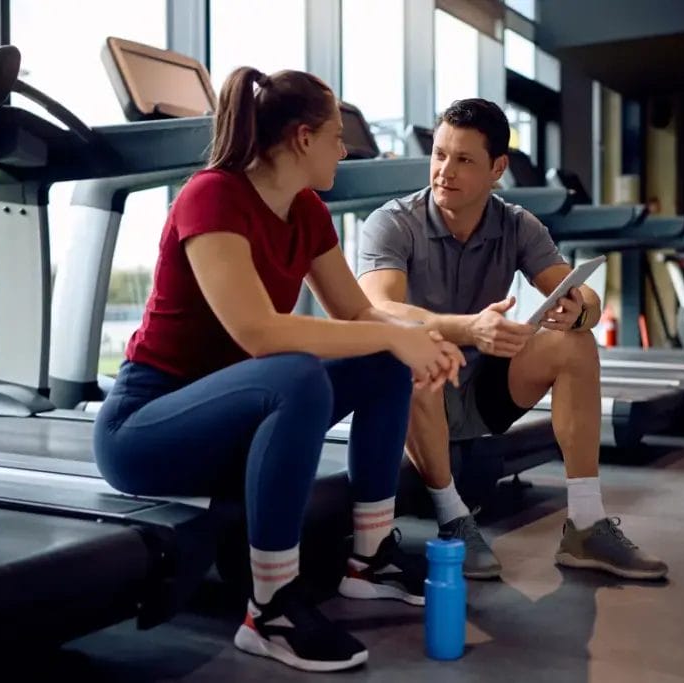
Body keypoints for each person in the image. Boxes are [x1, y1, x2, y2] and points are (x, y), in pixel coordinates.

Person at [93, 67, 464, 673]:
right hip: (145, 429)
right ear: (301, 138)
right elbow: (257, 332)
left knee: (378, 362)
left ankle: (368, 561)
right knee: (296, 373)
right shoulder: (211, 195)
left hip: (233, 417)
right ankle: (269, 612)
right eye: (336, 137)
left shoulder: (307, 211)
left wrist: (419, 338)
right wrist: (393, 337)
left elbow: (357, 312)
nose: (344, 150)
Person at [357, 98, 668, 582]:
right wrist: (470, 328)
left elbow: (581, 290)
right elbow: (381, 310)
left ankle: (586, 524)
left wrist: (577, 308)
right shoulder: (393, 222)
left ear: (497, 168)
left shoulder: (518, 224)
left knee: (575, 342)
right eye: (440, 155)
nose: (444, 171)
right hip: (414, 396)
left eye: (463, 160)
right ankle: (453, 518)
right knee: (408, 351)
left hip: (483, 390)